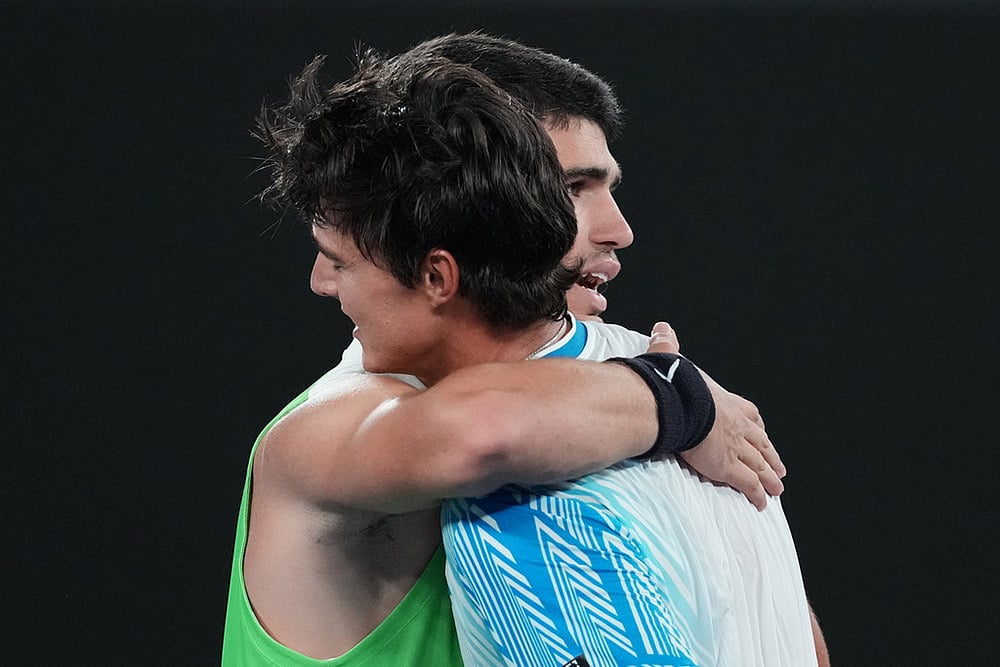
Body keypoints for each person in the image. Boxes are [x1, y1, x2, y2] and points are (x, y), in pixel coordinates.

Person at [222, 47, 782, 665]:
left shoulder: (587, 424)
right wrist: (680, 397)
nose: (320, 282)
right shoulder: (338, 424)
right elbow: (483, 428)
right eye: (571, 188)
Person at [397, 33, 830, 667]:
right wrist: (679, 400)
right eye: (574, 189)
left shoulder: (523, 488)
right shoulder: (682, 390)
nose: (620, 229)